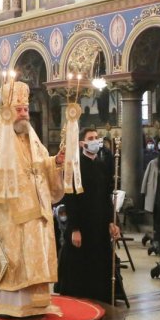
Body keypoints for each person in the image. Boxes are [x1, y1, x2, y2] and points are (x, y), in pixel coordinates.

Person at [0, 79, 65, 317]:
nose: (24, 114)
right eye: (19, 109)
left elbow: (41, 166)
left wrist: (55, 162)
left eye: (26, 109)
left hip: (37, 213)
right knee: (16, 260)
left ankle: (36, 305)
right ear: (7, 112)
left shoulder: (33, 139)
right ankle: (10, 306)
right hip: (11, 215)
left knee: (35, 259)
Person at [56, 128, 120, 304]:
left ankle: (99, 301)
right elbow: (71, 200)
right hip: (82, 225)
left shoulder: (102, 165)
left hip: (99, 225)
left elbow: (106, 197)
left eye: (96, 137)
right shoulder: (75, 167)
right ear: (82, 143)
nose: (95, 141)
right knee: (79, 266)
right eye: (90, 138)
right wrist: (74, 229)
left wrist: (111, 222)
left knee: (99, 264)